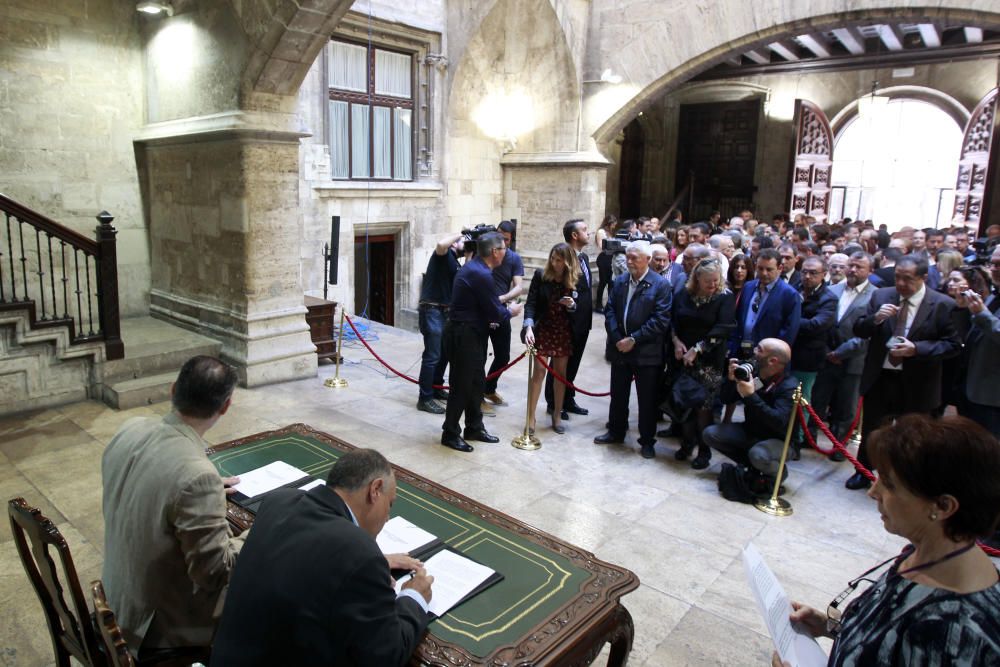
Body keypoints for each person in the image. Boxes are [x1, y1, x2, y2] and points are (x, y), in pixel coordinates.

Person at [774, 415, 1000, 667]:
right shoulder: (926, 552)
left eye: (890, 485)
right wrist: (834, 627)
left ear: (943, 506)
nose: (873, 492)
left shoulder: (952, 632)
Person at [212, 449, 433, 666]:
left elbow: (304, 556)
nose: (387, 517)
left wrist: (373, 563)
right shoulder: (360, 554)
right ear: (375, 490)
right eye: (390, 504)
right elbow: (387, 654)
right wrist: (414, 596)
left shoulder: (279, 501)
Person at [101, 356, 245, 656]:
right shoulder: (197, 476)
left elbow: (149, 482)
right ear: (225, 406)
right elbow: (214, 574)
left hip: (114, 597)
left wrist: (192, 491)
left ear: (173, 389)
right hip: (154, 627)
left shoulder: (130, 429)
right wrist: (256, 534)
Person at [847, 255, 961, 490]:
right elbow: (859, 328)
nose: (900, 283)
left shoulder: (942, 304)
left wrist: (917, 349)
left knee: (913, 435)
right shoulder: (881, 295)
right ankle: (863, 470)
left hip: (918, 380)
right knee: (872, 427)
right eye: (898, 277)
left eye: (907, 279)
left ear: (923, 278)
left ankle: (905, 480)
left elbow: (952, 345)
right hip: (881, 375)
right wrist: (876, 318)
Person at [441, 232, 523, 452]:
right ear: (495, 252)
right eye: (504, 248)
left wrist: (499, 311)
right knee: (461, 385)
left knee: (476, 382)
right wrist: (511, 311)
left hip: (473, 333)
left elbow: (485, 306)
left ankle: (474, 427)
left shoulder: (479, 269)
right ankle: (450, 433)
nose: (507, 252)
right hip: (464, 334)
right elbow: (494, 312)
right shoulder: (480, 273)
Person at [594, 240, 672, 459]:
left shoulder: (660, 285)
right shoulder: (620, 281)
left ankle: (647, 440)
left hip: (646, 352)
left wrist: (634, 339)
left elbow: (660, 320)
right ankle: (616, 431)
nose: (629, 261)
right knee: (618, 394)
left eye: (634, 258)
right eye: (627, 257)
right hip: (620, 349)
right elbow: (609, 311)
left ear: (647, 260)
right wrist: (618, 337)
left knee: (647, 399)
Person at [704, 339, 799, 493]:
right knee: (711, 434)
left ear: (772, 360)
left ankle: (778, 472)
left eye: (759, 350)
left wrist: (751, 396)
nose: (753, 351)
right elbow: (726, 399)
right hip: (752, 431)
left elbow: (778, 422)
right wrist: (730, 380)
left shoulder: (789, 387)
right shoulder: (752, 372)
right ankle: (752, 466)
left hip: (780, 439)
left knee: (758, 454)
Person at [808, 251, 877, 460]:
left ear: (870, 271)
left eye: (859, 267)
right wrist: (827, 351)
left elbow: (869, 333)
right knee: (818, 400)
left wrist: (840, 353)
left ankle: (838, 445)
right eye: (851, 266)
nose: (853, 270)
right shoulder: (832, 289)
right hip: (826, 356)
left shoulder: (875, 295)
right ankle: (809, 438)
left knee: (846, 406)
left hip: (853, 359)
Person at [670, 257, 735, 469]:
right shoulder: (684, 294)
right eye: (708, 281)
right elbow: (673, 321)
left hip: (709, 361)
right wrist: (676, 341)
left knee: (703, 408)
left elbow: (724, 328)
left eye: (716, 280)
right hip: (684, 358)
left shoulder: (724, 297)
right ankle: (687, 443)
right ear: (697, 279)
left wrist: (698, 349)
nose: (713, 285)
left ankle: (704, 451)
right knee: (685, 404)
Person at [523, 243, 581, 434]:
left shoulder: (574, 278)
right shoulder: (541, 275)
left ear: (567, 262)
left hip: (563, 330)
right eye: (553, 259)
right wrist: (528, 326)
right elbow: (530, 303)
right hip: (544, 328)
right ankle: (530, 417)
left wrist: (572, 305)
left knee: (560, 375)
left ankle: (557, 414)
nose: (555, 263)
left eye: (559, 260)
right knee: (539, 372)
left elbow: (580, 307)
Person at [545, 219, 594, 420]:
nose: (588, 232)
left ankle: (568, 398)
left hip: (582, 321)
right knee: (560, 365)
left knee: (573, 364)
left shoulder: (583, 258)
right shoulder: (565, 259)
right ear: (574, 235)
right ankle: (553, 402)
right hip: (568, 322)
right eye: (584, 230)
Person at [789, 256, 837, 457]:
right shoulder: (795, 288)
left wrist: (790, 321)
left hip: (808, 357)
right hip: (788, 353)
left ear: (823, 274)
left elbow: (817, 325)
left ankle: (797, 440)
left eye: (813, 273)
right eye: (805, 272)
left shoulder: (829, 298)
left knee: (801, 402)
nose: (807, 276)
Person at [416, 232, 463, 414]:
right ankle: (424, 398)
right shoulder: (442, 254)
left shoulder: (455, 260)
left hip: (444, 312)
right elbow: (441, 244)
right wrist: (462, 232)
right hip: (432, 310)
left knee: (443, 355)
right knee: (432, 355)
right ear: (455, 243)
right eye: (463, 242)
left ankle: (436, 388)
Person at [954, 252, 1000, 437]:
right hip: (971, 385)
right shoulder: (993, 295)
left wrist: (982, 314)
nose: (995, 269)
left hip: (993, 395)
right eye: (993, 264)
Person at [730, 248, 801, 359]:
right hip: (740, 352)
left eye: (769, 269)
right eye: (760, 268)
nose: (763, 273)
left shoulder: (789, 295)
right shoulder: (748, 287)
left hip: (768, 359)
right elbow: (737, 320)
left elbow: (788, 331)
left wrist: (773, 356)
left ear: (780, 269)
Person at [483, 220, 524, 409]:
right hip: (482, 310)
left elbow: (519, 287)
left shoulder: (514, 259)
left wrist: (502, 299)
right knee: (478, 356)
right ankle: (476, 396)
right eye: (499, 236)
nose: (501, 241)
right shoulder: (484, 253)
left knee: (503, 356)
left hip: (500, 311)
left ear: (511, 240)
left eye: (505, 239)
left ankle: (488, 388)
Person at [594, 214, 617, 310]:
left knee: (611, 282)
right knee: (603, 282)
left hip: (610, 258)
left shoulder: (610, 232)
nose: (614, 226)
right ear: (609, 223)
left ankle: (609, 305)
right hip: (603, 258)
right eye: (614, 224)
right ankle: (598, 305)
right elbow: (601, 246)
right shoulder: (601, 232)